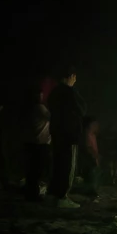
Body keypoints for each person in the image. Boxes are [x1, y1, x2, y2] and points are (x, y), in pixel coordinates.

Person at [47, 67, 86, 208]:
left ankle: (52, 195)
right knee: (68, 166)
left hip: (57, 133)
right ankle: (62, 197)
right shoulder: (68, 92)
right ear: (71, 77)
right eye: (74, 77)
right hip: (69, 134)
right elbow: (81, 109)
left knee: (57, 164)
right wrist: (72, 90)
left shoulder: (54, 92)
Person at [22, 88, 51, 201]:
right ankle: (36, 194)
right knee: (39, 170)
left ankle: (31, 193)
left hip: (31, 142)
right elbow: (50, 117)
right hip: (39, 143)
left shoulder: (28, 108)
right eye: (39, 95)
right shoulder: (39, 107)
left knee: (32, 170)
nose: (41, 97)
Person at [77, 116, 101, 199]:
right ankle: (90, 191)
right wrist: (93, 155)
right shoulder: (86, 134)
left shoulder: (92, 134)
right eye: (94, 124)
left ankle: (91, 190)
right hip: (89, 158)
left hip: (93, 157)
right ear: (89, 125)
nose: (96, 126)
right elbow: (87, 146)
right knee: (91, 174)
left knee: (93, 175)